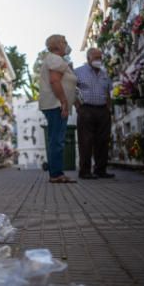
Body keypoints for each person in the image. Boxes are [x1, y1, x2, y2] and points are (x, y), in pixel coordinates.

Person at [38, 34, 77, 183]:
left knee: (55, 139)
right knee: (57, 140)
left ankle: (56, 173)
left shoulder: (54, 60)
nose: (67, 44)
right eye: (64, 42)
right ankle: (56, 174)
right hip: (56, 105)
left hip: (55, 104)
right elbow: (55, 81)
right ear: (58, 45)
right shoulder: (55, 59)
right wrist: (64, 102)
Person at [74, 48, 115, 179]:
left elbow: (109, 92)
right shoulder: (79, 72)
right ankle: (85, 171)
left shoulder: (104, 73)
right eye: (95, 58)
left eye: (100, 57)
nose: (98, 60)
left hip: (103, 110)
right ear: (88, 59)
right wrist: (78, 107)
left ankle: (100, 170)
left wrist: (108, 108)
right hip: (86, 110)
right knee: (86, 141)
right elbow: (72, 90)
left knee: (103, 141)